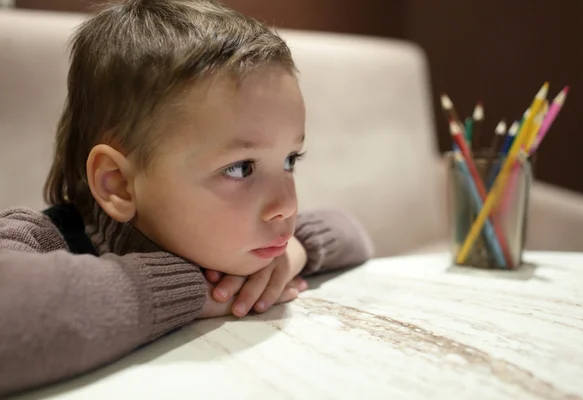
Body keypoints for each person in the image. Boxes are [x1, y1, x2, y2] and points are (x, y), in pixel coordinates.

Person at [0, 0, 374, 395]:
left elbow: (352, 233)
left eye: (289, 159)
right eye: (240, 168)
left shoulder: (245, 241)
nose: (287, 205)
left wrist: (291, 254)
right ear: (119, 185)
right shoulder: (43, 236)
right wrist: (191, 292)